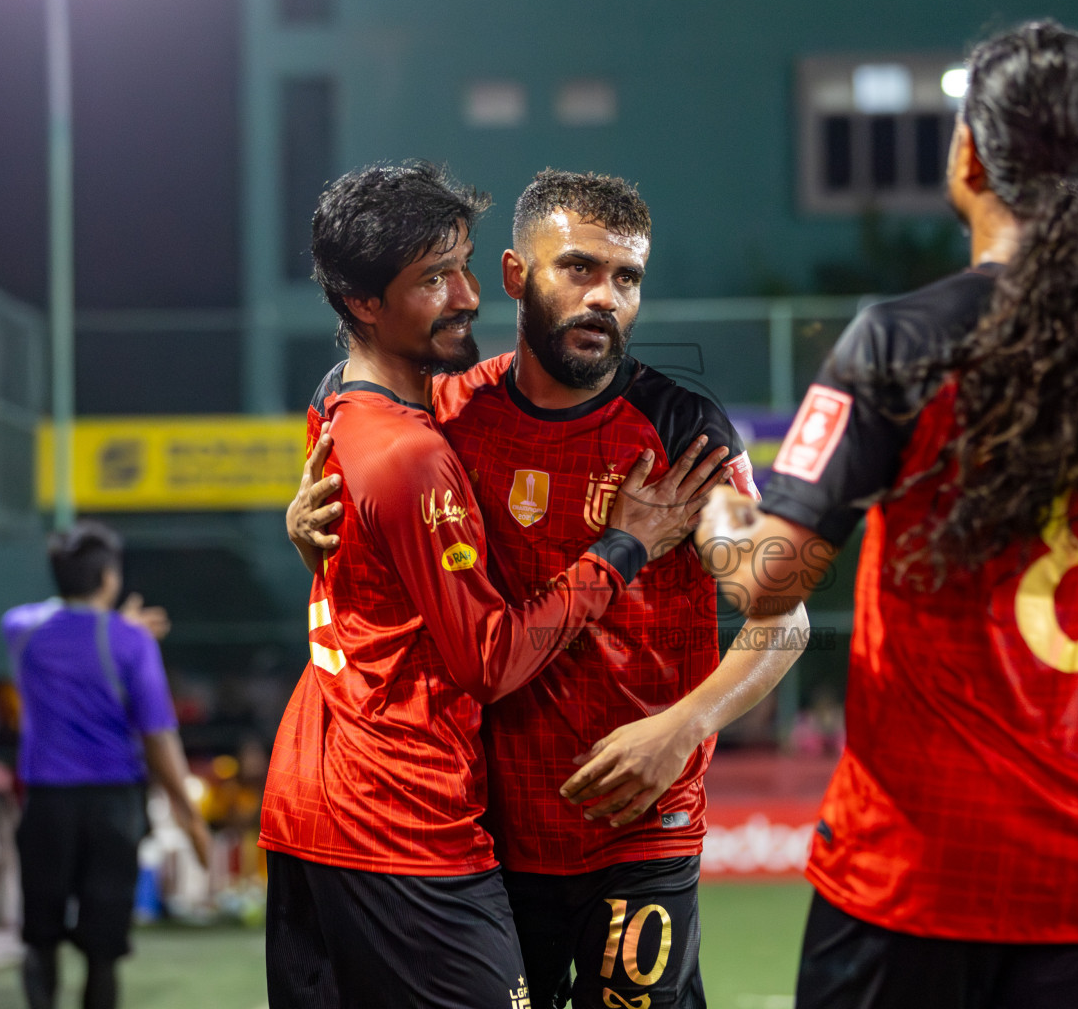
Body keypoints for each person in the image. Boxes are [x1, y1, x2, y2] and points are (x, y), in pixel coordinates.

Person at [695, 21, 1078, 1009]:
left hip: (915, 873)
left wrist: (715, 510)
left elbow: (768, 576)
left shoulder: (902, 340)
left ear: (971, 153)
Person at [289, 169, 808, 1009]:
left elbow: (785, 618)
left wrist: (684, 726)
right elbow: (350, 425)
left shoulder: (685, 431)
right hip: (491, 838)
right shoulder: (447, 413)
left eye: (626, 277)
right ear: (514, 276)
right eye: (578, 268)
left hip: (641, 829)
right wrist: (301, 515)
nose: (605, 297)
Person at [2, 521, 211, 1009]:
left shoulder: (19, 629)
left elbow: (72, 632)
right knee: (103, 949)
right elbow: (158, 739)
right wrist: (190, 816)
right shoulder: (132, 643)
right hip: (113, 806)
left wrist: (118, 626)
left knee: (40, 936)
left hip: (46, 803)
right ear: (109, 578)